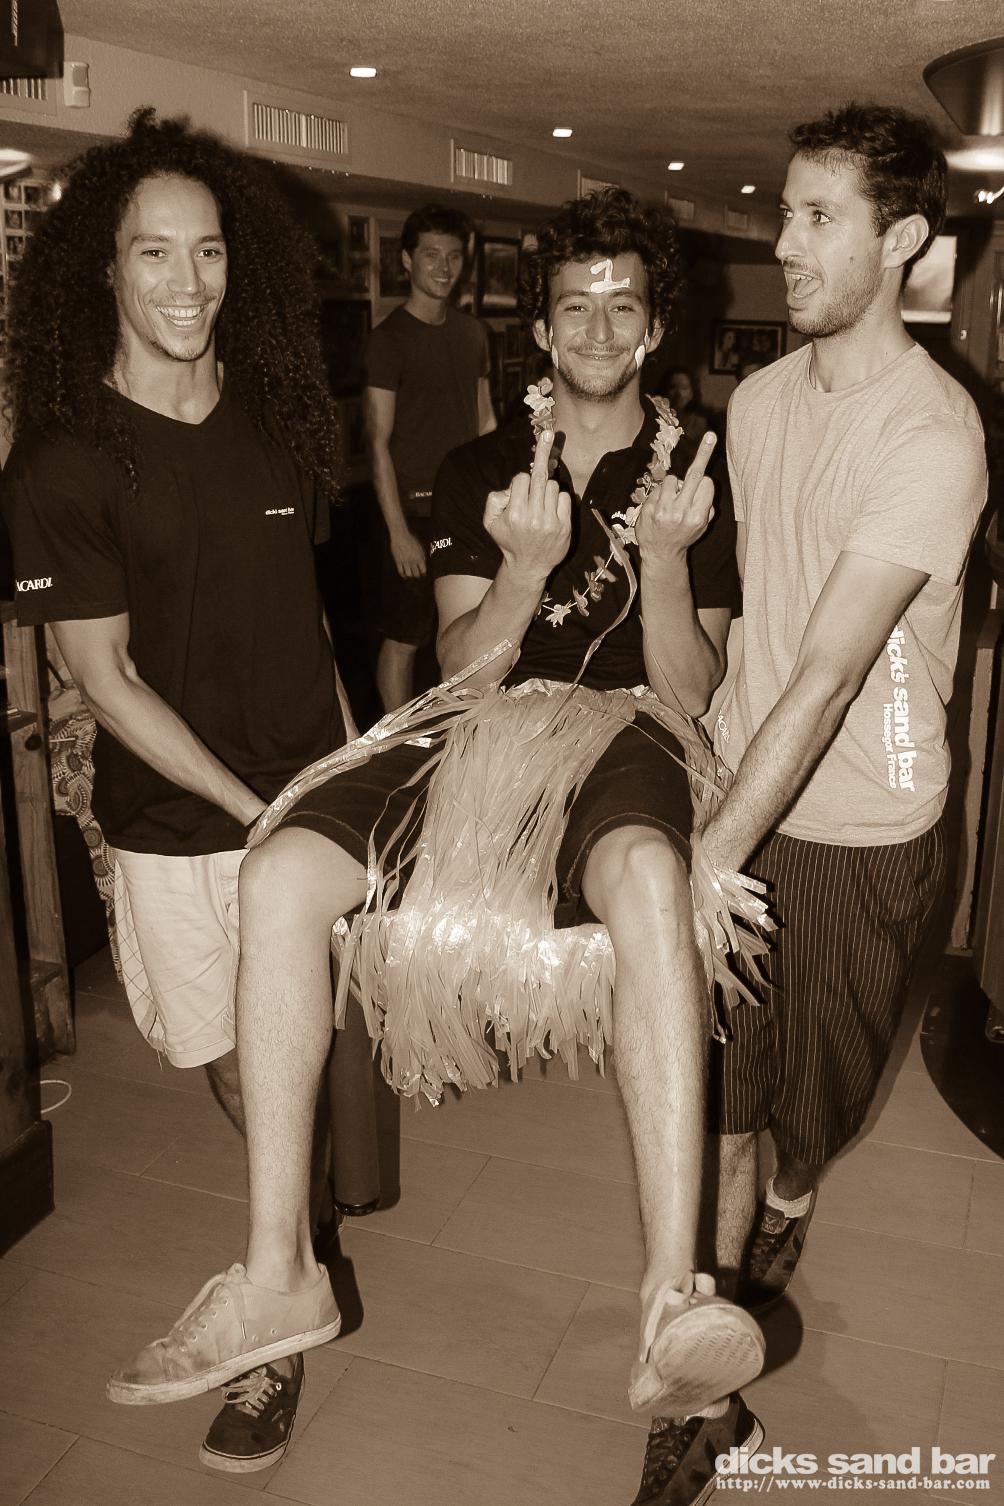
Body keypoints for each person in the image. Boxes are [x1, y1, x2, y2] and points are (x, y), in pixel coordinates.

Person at [105, 186, 772, 1468]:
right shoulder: (478, 470)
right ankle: (278, 1272)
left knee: (646, 872)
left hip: (628, 729)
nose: (595, 328)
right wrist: (519, 571)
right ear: (542, 329)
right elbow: (458, 674)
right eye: (572, 306)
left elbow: (690, 691)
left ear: (651, 329)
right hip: (478, 729)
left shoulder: (699, 474)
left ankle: (668, 1296)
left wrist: (667, 559)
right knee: (280, 868)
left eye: (620, 307)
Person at [630, 103, 988, 1506]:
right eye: (783, 211)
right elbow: (747, 632)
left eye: (817, 217)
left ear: (901, 241)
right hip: (738, 796)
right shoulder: (762, 404)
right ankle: (694, 1391)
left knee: (809, 1113)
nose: (783, 242)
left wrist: (703, 861)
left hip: (865, 826)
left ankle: (792, 1190)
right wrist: (702, 817)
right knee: (716, 1107)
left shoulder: (934, 433)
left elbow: (835, 673)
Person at [1, 108, 353, 1474]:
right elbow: (104, 679)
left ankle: (277, 1317)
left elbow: (305, 621)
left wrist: (346, 777)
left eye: (206, 251)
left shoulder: (278, 417)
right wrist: (255, 810)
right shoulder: (63, 460)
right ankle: (300, 1240)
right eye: (154, 252)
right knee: (224, 1061)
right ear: (102, 266)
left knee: (284, 1066)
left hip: (305, 806)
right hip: (172, 821)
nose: (186, 281)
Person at [365, 203, 496, 711]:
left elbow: (486, 424)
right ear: (407, 260)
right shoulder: (388, 340)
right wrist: (397, 531)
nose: (444, 267)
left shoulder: (473, 334)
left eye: (454, 256)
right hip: (413, 512)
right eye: (431, 255)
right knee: (405, 637)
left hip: (468, 510)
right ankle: (392, 743)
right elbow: (377, 441)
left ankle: (461, 732)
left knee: (471, 629)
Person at [662, 366, 710, 447]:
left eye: (684, 388)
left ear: (692, 392)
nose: (679, 393)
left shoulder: (699, 423)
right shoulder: (656, 419)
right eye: (673, 387)